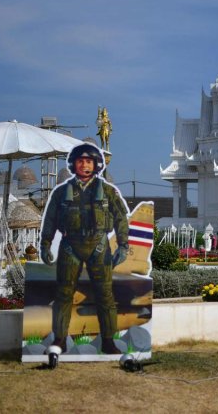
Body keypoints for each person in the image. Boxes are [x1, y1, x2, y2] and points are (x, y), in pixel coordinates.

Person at [40, 143, 130, 354]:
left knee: (105, 295)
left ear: (96, 165)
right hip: (70, 245)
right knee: (63, 294)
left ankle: (108, 341)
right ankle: (60, 340)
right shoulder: (61, 193)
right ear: (73, 164)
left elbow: (121, 219)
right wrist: (45, 245)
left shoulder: (108, 191)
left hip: (98, 245)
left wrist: (123, 245)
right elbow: (50, 220)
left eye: (89, 161)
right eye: (80, 161)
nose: (84, 165)